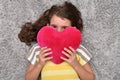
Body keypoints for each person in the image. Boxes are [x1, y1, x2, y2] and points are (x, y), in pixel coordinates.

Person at [18, 1, 95, 80]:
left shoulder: (78, 49)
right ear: (47, 26)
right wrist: (40, 64)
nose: (58, 31)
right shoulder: (39, 49)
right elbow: (28, 78)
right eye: (54, 26)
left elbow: (90, 78)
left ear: (73, 29)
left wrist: (75, 64)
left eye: (64, 27)